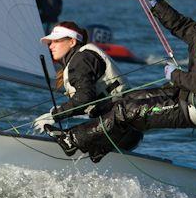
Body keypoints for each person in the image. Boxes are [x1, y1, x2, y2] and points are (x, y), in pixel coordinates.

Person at [43, 0, 196, 163]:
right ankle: (100, 146)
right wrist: (156, 2)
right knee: (124, 101)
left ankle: (72, 141)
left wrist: (174, 74)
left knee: (124, 112)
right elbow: (182, 25)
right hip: (186, 96)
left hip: (194, 107)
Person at [32, 22, 140, 160]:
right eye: (50, 42)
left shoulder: (81, 60)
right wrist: (60, 110)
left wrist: (54, 115)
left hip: (120, 128)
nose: (51, 46)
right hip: (121, 127)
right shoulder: (80, 59)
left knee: (68, 139)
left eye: (56, 41)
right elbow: (87, 101)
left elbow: (84, 99)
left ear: (72, 42)